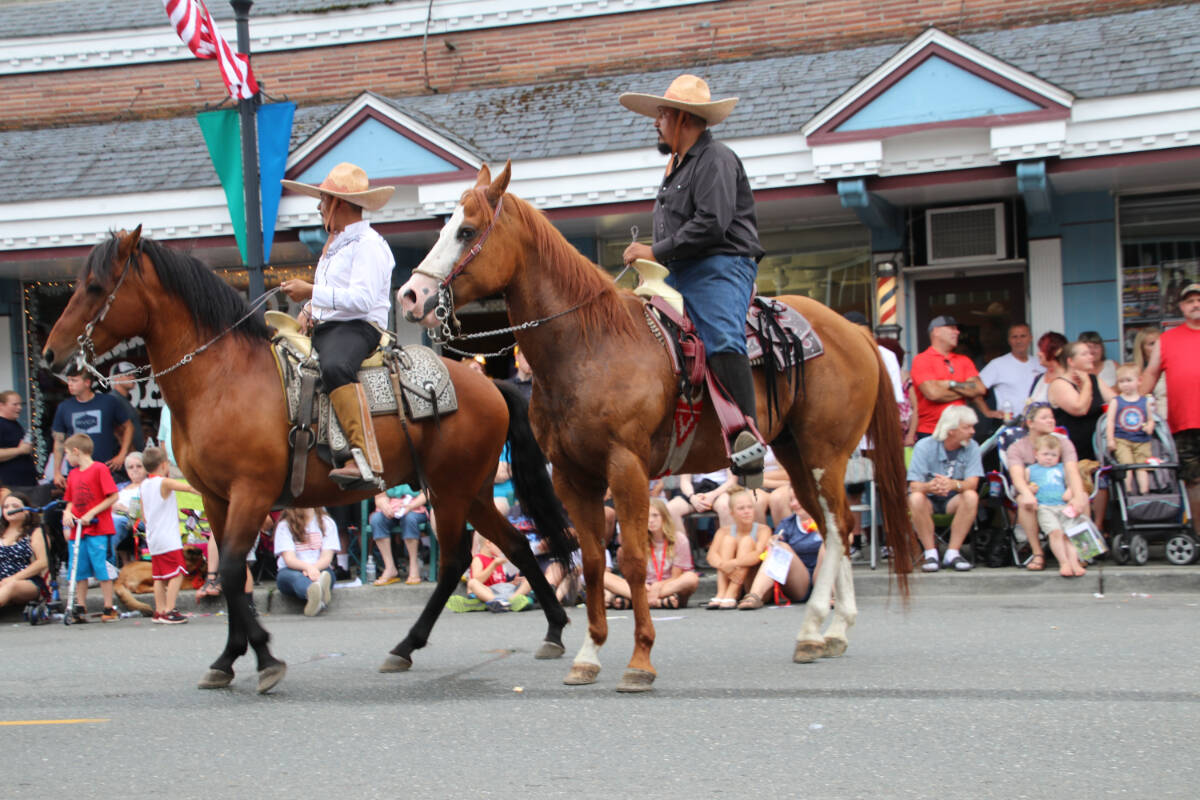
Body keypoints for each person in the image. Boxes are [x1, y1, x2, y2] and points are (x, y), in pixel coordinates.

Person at [620, 74, 767, 487]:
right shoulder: (677, 165)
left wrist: (654, 251)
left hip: (721, 265)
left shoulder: (717, 158)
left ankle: (746, 439)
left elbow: (713, 224)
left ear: (682, 118)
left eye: (662, 114)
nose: (656, 122)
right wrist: (654, 257)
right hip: (680, 270)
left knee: (721, 336)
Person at [280, 162, 396, 489]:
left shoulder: (369, 245)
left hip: (360, 327)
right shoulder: (336, 244)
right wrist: (307, 312)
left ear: (339, 203)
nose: (319, 207)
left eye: (323, 200)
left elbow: (361, 299)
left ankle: (363, 458)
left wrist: (310, 291)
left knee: (334, 367)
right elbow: (333, 295)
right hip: (329, 327)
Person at [1140, 281, 1200, 535]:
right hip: (1183, 422)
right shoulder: (1167, 339)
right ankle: (1198, 535)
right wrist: (1129, 404)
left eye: (1199, 300)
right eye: (1190, 301)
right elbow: (1150, 376)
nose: (1196, 305)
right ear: (1181, 307)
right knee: (1193, 481)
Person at [1005, 403, 1089, 571]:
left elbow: (1072, 472)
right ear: (1030, 423)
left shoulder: (1063, 443)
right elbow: (1017, 476)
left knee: (1083, 497)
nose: (1051, 421)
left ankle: (1082, 551)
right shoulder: (1017, 447)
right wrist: (1027, 492)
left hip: (1061, 492)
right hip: (1036, 494)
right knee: (1024, 501)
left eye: (1052, 417)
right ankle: (1038, 553)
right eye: (1044, 418)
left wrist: (1077, 494)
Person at [906, 405, 984, 572]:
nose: (972, 431)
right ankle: (930, 553)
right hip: (929, 499)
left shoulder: (973, 447)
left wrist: (953, 484)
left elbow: (973, 483)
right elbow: (914, 485)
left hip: (954, 499)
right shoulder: (924, 446)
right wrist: (930, 486)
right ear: (951, 430)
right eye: (967, 427)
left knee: (971, 495)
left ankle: (953, 552)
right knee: (916, 497)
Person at [60, 432, 120, 622]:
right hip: (79, 529)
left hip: (98, 527)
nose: (67, 458)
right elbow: (70, 500)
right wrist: (67, 512)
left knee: (101, 567)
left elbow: (113, 496)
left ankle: (109, 607)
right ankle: (80, 606)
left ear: (76, 451)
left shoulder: (99, 469)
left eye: (67, 453)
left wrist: (92, 513)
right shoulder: (72, 474)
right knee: (79, 568)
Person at [737, 487, 825, 609]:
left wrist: (830, 535)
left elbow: (848, 540)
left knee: (832, 544)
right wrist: (773, 541)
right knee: (779, 547)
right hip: (799, 581)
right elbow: (776, 544)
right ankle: (755, 595)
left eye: (798, 499)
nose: (793, 504)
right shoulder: (788, 524)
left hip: (823, 578)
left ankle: (831, 595)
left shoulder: (829, 520)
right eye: (791, 500)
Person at [604, 498, 698, 610]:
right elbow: (632, 573)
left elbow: (676, 576)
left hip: (668, 585)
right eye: (647, 517)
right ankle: (657, 601)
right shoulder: (638, 540)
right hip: (644, 587)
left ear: (664, 517)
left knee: (691, 578)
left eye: (655, 515)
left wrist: (658, 586)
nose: (651, 520)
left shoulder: (679, 539)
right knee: (603, 576)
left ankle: (637, 600)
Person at [51, 364, 134, 489]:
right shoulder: (64, 407)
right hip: (76, 470)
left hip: (105, 468)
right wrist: (57, 472)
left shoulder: (108, 402)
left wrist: (122, 455)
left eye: (74, 380)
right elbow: (59, 441)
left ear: (87, 382)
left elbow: (129, 427)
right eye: (68, 380)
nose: (70, 384)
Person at [139, 446, 194, 623]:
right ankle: (170, 609)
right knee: (177, 572)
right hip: (168, 537)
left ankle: (160, 610)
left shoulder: (144, 485)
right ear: (164, 465)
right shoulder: (164, 482)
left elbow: (144, 515)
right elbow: (187, 488)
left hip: (153, 538)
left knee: (159, 576)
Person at [910, 315, 986, 440]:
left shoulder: (964, 360)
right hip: (931, 432)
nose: (957, 332)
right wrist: (966, 392)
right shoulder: (921, 360)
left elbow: (979, 389)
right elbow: (933, 394)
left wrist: (950, 384)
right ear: (936, 331)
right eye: (951, 328)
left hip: (961, 432)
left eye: (957, 329)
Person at [1026, 434, 1087, 578]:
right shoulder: (1031, 470)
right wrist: (1029, 490)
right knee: (1055, 533)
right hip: (1045, 507)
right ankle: (1064, 562)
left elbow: (1072, 483)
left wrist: (1070, 491)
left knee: (1069, 535)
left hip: (1063, 506)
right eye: (1045, 454)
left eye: (1054, 455)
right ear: (1036, 454)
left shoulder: (1062, 468)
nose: (1049, 458)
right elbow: (1021, 487)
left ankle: (1074, 562)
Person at [1048, 341, 1114, 461]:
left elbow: (1116, 402)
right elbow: (1080, 409)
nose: (1091, 357)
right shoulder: (1059, 384)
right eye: (1084, 354)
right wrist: (1087, 384)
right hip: (1073, 452)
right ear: (1071, 361)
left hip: (1097, 447)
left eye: (1090, 353)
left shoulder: (1095, 379)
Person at [704, 488, 771, 607]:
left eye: (750, 507)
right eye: (741, 508)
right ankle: (722, 592)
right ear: (732, 513)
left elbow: (758, 554)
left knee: (747, 541)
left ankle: (732, 592)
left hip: (752, 585)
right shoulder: (723, 531)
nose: (747, 511)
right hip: (730, 576)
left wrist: (732, 563)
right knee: (728, 541)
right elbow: (711, 556)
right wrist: (724, 565)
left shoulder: (763, 530)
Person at [273, 507, 339, 616]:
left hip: (320, 567)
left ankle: (318, 593)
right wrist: (308, 568)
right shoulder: (284, 525)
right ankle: (314, 592)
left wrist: (314, 569)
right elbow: (289, 559)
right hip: (291, 570)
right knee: (294, 578)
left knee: (328, 575)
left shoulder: (327, 522)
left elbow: (327, 557)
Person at [1106, 364, 1156, 495]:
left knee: (1142, 467)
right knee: (1127, 465)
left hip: (1142, 440)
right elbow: (1110, 421)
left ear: (1139, 381)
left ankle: (1144, 491)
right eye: (1121, 381)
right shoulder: (1116, 401)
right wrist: (1110, 439)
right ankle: (1128, 491)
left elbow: (1151, 419)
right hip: (1122, 439)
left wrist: (1150, 426)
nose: (1125, 384)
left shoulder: (1144, 401)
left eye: (1129, 380)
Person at [446, 537, 533, 613]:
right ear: (488, 543)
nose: (502, 548)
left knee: (531, 579)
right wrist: (494, 565)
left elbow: (500, 583)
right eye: (500, 544)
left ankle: (510, 600)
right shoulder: (478, 559)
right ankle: (498, 602)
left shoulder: (497, 560)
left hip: (502, 592)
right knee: (472, 582)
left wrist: (513, 583)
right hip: (488, 592)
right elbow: (477, 580)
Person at [977, 323, 1045, 421]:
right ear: (1009, 340)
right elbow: (975, 390)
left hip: (1038, 422)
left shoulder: (1040, 363)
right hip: (1011, 423)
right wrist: (987, 412)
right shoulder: (997, 364)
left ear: (1030, 338)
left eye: (1023, 336)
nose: (1019, 341)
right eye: (1014, 337)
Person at [369, 483, 428, 585]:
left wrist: (409, 506)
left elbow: (426, 494)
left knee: (409, 519)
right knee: (376, 520)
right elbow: (380, 496)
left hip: (415, 507)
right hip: (391, 508)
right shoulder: (384, 472)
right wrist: (385, 506)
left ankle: (414, 566)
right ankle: (390, 568)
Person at [0, 492, 49, 609]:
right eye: (6, 507)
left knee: (12, 585)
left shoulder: (34, 532)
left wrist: (14, 578)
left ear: (26, 510)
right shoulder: (1, 531)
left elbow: (42, 562)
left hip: (26, 581)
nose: (9, 510)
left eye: (15, 506)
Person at [110, 451, 146, 566]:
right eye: (131, 467)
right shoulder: (120, 487)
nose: (135, 469)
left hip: (137, 521)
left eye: (139, 466)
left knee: (115, 522)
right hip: (116, 518)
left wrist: (125, 510)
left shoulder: (149, 486)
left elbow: (149, 512)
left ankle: (107, 565)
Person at [0, 391, 39, 493]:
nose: (19, 408)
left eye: (20, 404)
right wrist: (20, 450)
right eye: (15, 404)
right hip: (10, 486)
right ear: (1, 405)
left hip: (26, 484)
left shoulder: (15, 423)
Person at [106, 360, 145, 454]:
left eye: (134, 375)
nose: (133, 378)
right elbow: (118, 430)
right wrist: (128, 452)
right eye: (128, 375)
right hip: (126, 457)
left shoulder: (123, 400)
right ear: (116, 378)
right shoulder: (113, 399)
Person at [1132, 327, 1167, 426]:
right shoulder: (1134, 372)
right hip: (1151, 423)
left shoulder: (1172, 367)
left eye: (1159, 342)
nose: (1157, 347)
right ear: (1142, 349)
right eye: (1152, 344)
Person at [1028, 331, 1068, 406]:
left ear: (1056, 352)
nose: (1038, 354)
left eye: (1043, 350)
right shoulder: (1039, 378)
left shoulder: (1068, 379)